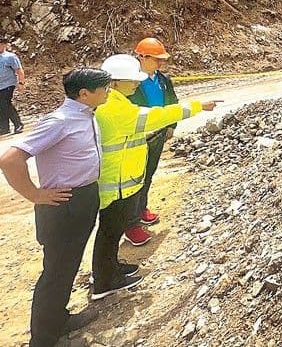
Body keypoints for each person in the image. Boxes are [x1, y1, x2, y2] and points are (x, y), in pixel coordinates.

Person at [0, 69, 112, 347]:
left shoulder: (86, 114)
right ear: (84, 94)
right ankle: (44, 339)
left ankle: (59, 319)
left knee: (68, 266)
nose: (109, 92)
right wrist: (34, 194)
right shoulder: (59, 121)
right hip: (64, 205)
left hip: (83, 197)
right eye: (104, 88)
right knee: (56, 272)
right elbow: (10, 159)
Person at [92, 54, 215, 300]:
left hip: (118, 179)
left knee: (110, 230)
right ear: (115, 82)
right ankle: (106, 280)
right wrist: (198, 106)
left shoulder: (116, 101)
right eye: (132, 80)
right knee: (110, 231)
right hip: (116, 182)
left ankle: (108, 268)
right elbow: (155, 116)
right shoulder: (113, 107)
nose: (137, 84)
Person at [123, 37, 179, 245]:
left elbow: (173, 102)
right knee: (133, 180)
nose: (160, 63)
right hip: (137, 138)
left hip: (157, 136)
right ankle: (130, 224)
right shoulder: (129, 84)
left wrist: (171, 125)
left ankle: (141, 209)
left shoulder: (163, 80)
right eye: (156, 59)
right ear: (142, 57)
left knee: (148, 175)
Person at [0, 36, 25, 135]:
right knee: (1, 106)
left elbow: (19, 70)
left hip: (8, 84)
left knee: (5, 103)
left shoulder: (10, 57)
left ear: (4, 45)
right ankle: (4, 128)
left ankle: (18, 124)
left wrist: (21, 82)